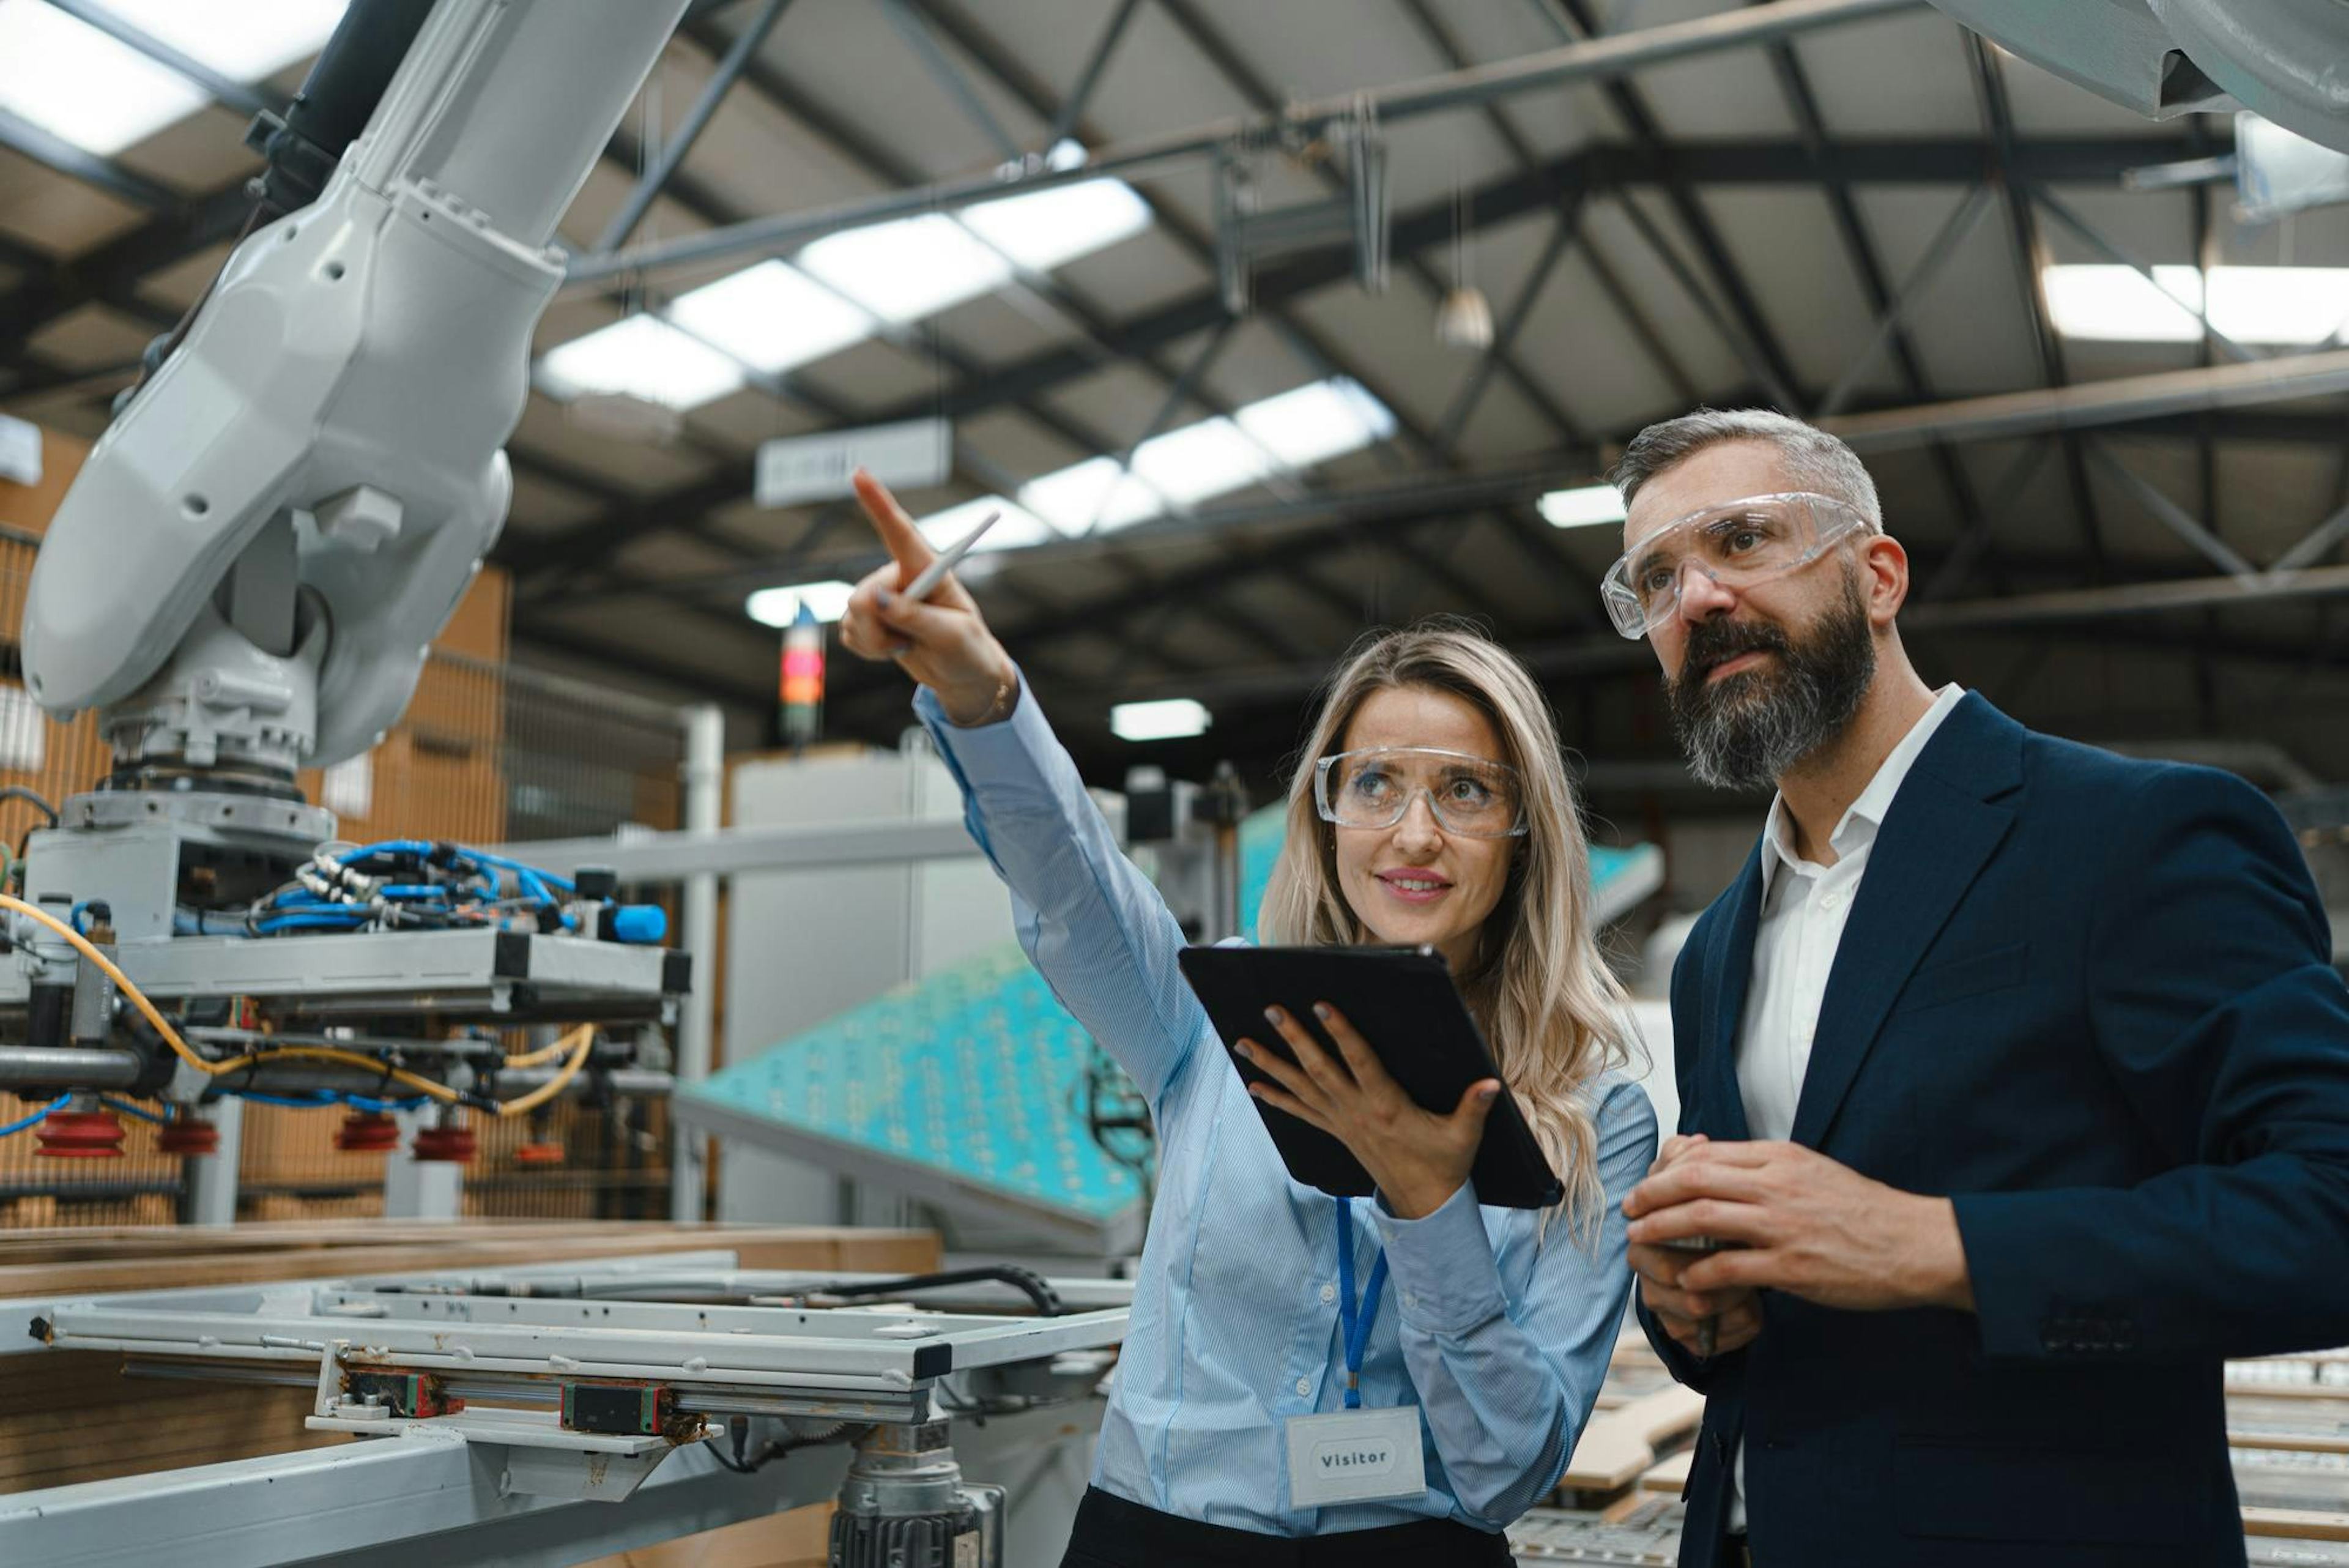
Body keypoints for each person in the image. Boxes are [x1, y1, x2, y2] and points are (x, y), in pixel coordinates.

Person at [835, 469, 1655, 1566]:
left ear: (1523, 832)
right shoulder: (1212, 1016)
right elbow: (1074, 887)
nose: (1414, 833)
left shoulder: (1594, 1115)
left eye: (1464, 790)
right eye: (1374, 785)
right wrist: (988, 705)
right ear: (1326, 813)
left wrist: (1429, 1207)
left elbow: (1511, 1469)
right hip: (1157, 1541)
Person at [1607, 409, 2349, 1568]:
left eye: (1742, 541)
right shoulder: (1714, 947)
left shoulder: (2128, 840)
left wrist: (1937, 1245)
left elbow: (2327, 1211)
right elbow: (1765, 1292)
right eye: (1656, 578)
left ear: (1879, 575)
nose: (1696, 598)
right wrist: (1690, 1304)